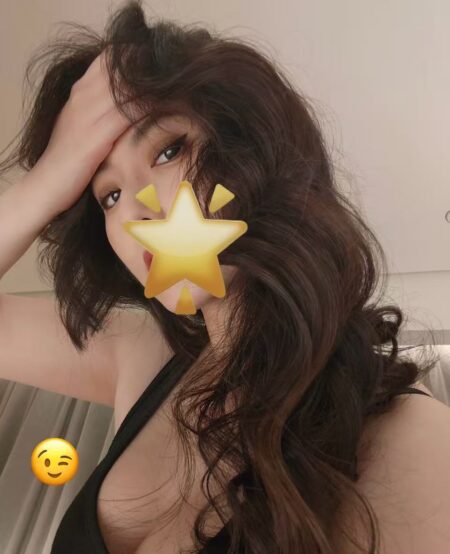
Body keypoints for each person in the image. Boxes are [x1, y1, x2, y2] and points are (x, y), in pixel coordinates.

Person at [0, 1, 449, 553]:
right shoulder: (140, 352)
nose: (137, 210)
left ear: (257, 151)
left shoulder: (415, 445)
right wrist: (45, 183)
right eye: (109, 195)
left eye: (168, 150)